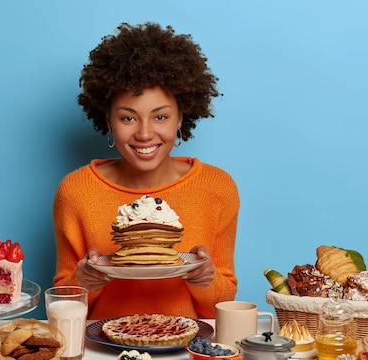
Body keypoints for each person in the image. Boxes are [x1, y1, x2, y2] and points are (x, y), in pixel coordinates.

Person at [53, 22, 239, 320]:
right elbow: (62, 304)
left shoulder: (216, 187)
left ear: (181, 117)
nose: (144, 133)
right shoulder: (75, 192)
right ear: (108, 120)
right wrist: (83, 283)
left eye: (160, 116)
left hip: (186, 353)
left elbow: (221, 303)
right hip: (100, 355)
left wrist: (205, 279)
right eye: (128, 118)